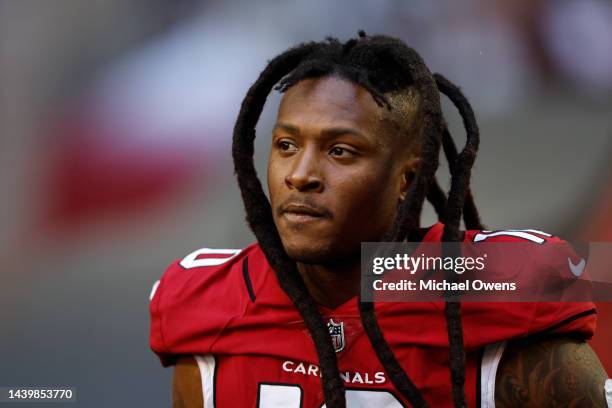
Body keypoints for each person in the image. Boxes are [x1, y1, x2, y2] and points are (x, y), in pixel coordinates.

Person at [149, 32, 609, 407]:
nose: (301, 175)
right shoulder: (209, 306)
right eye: (286, 145)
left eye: (340, 151)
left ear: (407, 178)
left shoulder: (495, 294)